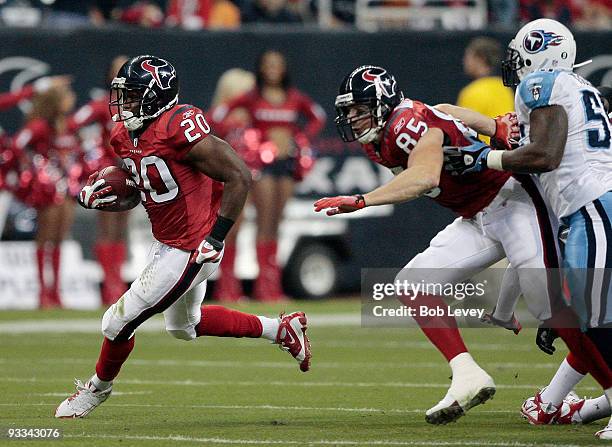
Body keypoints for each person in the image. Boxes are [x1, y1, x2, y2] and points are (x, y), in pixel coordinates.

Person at [54, 55, 311, 419]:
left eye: (132, 95)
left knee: (115, 322)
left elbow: (238, 174)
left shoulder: (178, 126)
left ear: (156, 96)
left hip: (193, 246)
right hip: (169, 240)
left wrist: (217, 237)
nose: (123, 103)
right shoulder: (123, 135)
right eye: (122, 95)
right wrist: (106, 197)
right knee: (182, 327)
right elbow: (148, 190)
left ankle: (96, 390)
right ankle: (281, 330)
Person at [314, 64, 570, 425]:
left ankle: (580, 392)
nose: (353, 119)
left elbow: (423, 176)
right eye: (348, 111)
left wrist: (361, 200)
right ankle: (468, 374)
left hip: (511, 202)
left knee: (553, 308)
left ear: (383, 103)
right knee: (412, 283)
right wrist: (492, 126)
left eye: (359, 109)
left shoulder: (404, 126)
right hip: (475, 216)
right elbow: (445, 110)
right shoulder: (384, 136)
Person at [443, 19, 612, 439]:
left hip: (593, 204)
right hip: (591, 204)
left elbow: (545, 155)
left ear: (541, 53)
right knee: (589, 314)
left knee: (595, 318)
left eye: (520, 56)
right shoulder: (578, 88)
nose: (515, 67)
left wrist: (485, 160)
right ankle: (570, 404)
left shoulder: (543, 83)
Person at [210, 50, 325, 301]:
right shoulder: (252, 97)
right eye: (268, 64)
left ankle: (269, 287)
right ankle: (234, 288)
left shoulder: (294, 97)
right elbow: (217, 115)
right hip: (261, 166)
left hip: (286, 165)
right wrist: (240, 131)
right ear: (260, 69)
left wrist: (301, 138)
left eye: (278, 64)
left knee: (275, 223)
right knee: (252, 223)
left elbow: (318, 117)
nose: (273, 69)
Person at [11, 82, 81, 309]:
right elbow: (17, 144)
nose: (71, 99)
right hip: (48, 188)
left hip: (67, 186)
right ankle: (43, 292)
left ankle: (56, 292)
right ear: (55, 101)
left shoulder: (69, 125)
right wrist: (32, 169)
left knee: (60, 237)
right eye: (66, 96)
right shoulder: (40, 126)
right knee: (46, 236)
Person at [68, 55, 130, 307]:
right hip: (110, 171)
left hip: (131, 171)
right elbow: (72, 124)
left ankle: (117, 279)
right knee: (107, 227)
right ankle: (110, 286)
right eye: (116, 70)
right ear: (108, 76)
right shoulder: (101, 104)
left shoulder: (140, 104)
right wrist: (91, 151)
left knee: (121, 229)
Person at [457, 37, 514, 144]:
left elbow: (463, 132)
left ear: (481, 58)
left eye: (468, 56)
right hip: (505, 154)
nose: (464, 61)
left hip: (482, 155)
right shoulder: (505, 89)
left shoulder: (471, 92)